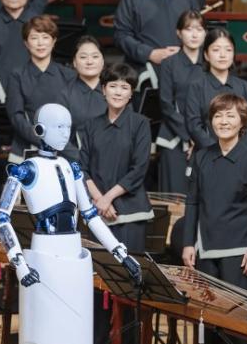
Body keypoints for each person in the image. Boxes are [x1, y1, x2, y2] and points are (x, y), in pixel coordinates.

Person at [0, 102, 141, 344]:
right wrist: (19, 264)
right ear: (40, 129)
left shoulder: (71, 167)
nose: (65, 133)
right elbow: (2, 218)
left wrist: (121, 253)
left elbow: (91, 215)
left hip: (75, 255)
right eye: (59, 126)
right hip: (43, 254)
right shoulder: (25, 170)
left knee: (77, 330)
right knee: (45, 330)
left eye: (68, 127)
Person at [181, 93, 247, 344]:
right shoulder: (201, 157)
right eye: (218, 116)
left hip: (240, 253)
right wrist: (189, 243)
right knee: (210, 321)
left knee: (238, 324)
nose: (223, 121)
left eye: (230, 115)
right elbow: (193, 201)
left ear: (242, 122)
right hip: (206, 250)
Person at [79, 63, 151, 344]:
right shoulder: (91, 125)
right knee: (96, 288)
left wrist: (108, 197)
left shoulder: (141, 124)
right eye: (113, 85)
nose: (118, 91)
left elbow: (139, 168)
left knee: (129, 288)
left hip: (131, 216)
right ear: (103, 89)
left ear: (131, 93)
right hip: (97, 216)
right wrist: (99, 200)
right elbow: (81, 169)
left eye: (125, 87)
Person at [5, 14, 76, 163]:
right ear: (26, 43)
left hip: (63, 147)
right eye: (34, 38)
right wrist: (44, 140)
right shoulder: (17, 75)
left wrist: (58, 141)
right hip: (27, 147)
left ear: (54, 41)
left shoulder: (68, 75)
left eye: (45, 37)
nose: (40, 43)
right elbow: (16, 117)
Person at [157, 10, 206, 194]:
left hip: (206, 137)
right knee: (173, 196)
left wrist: (200, 136)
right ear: (179, 33)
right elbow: (166, 105)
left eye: (199, 29)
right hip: (175, 137)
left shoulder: (210, 63)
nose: (194, 34)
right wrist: (189, 135)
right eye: (188, 29)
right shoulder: (169, 63)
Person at [186, 28, 247, 149]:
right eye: (216, 49)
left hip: (239, 156)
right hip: (207, 155)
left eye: (228, 50)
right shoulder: (196, 86)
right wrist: (217, 151)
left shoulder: (243, 86)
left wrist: (238, 151)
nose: (223, 55)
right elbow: (194, 126)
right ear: (206, 55)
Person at [62, 35, 106, 142]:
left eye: (95, 56)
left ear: (103, 61)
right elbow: (58, 137)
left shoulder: (115, 91)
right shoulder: (64, 94)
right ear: (75, 62)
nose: (89, 61)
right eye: (83, 57)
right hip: (76, 156)